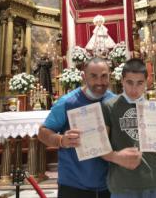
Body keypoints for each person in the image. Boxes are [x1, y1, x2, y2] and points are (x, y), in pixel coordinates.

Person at [38, 57, 138, 198]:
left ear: (110, 75)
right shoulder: (67, 102)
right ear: (84, 76)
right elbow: (42, 133)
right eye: (94, 76)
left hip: (110, 185)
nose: (99, 82)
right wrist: (61, 140)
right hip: (74, 186)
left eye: (104, 76)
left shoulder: (116, 102)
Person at [102, 58, 156, 198]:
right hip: (123, 186)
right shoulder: (109, 107)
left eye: (139, 83)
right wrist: (116, 156)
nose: (134, 89)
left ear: (146, 82)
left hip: (154, 184)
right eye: (129, 82)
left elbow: (155, 151)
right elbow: (100, 148)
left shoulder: (153, 108)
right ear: (122, 81)